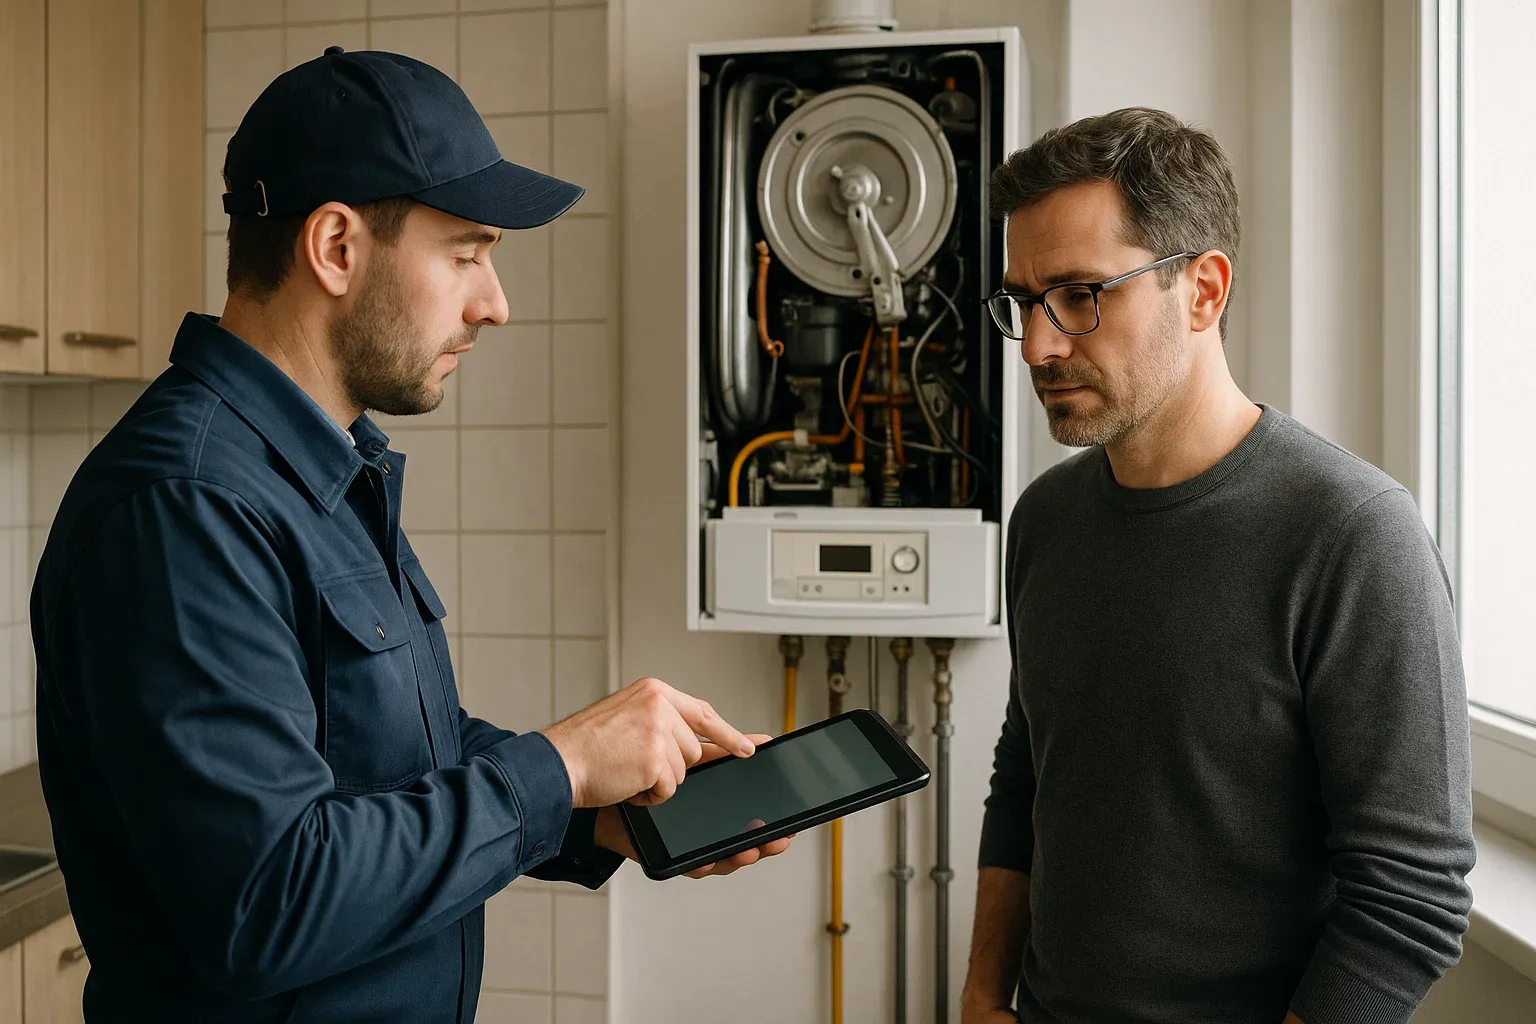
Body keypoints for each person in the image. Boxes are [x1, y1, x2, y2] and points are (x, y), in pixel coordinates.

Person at [30, 48, 788, 1023]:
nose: (495, 303)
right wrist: (555, 765)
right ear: (337, 247)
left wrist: (601, 819)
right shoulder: (185, 505)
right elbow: (267, 901)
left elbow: (384, 762)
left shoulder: (324, 470)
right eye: (468, 252)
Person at [960, 107, 1475, 1024]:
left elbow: (1410, 897)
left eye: (1081, 295)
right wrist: (981, 993)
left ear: (1203, 290)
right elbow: (1027, 773)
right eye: (1023, 302)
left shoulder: (1354, 535)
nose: (1039, 346)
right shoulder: (1047, 520)